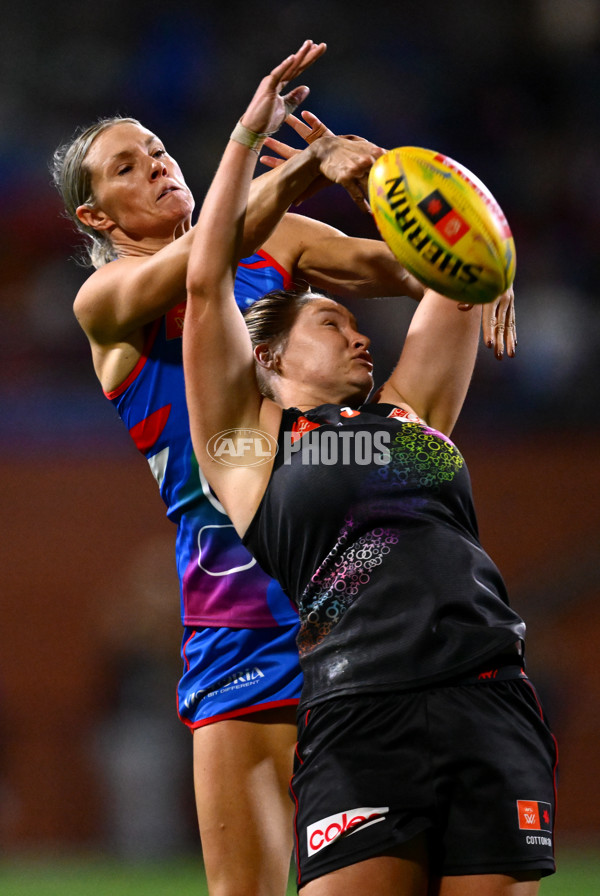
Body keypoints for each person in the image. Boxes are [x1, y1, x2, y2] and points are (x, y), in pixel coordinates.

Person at [51, 39, 510, 896]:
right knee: (249, 889)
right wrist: (306, 163)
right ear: (96, 218)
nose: (154, 164)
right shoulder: (107, 302)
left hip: (357, 598)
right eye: (125, 167)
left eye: (155, 149)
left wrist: (476, 255)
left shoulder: (285, 239)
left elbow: (402, 265)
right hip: (238, 614)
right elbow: (205, 267)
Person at [182, 43, 557, 896]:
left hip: (491, 696)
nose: (358, 333)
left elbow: (461, 270)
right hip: (363, 714)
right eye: (330, 320)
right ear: (267, 356)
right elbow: (206, 286)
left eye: (355, 321)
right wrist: (248, 137)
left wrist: (382, 186)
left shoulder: (410, 409)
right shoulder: (247, 447)